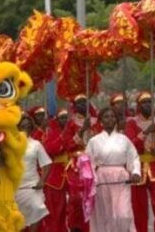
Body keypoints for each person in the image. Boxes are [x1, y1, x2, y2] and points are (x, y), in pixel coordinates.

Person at [86, 107, 140, 232]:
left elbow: (134, 157)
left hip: (121, 179)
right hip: (101, 180)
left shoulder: (124, 139)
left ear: (116, 119)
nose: (110, 119)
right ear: (101, 121)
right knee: (104, 215)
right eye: (106, 117)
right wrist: (90, 179)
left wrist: (135, 172)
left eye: (112, 116)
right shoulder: (93, 141)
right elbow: (87, 163)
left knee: (123, 215)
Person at [125, 91, 155, 232]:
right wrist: (145, 132)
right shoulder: (131, 123)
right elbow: (130, 145)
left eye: (150, 101)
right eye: (144, 102)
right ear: (138, 105)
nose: (148, 104)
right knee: (139, 208)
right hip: (138, 167)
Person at [67, 94, 99, 232]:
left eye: (85, 102)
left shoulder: (97, 122)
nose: (82, 105)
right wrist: (81, 130)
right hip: (76, 165)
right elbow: (68, 146)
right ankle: (76, 226)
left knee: (93, 197)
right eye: (79, 103)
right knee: (76, 198)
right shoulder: (70, 123)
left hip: (94, 164)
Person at [16, 115, 52, 232]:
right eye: (23, 126)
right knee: (18, 218)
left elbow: (47, 164)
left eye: (28, 126)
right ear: (18, 127)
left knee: (37, 208)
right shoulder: (11, 144)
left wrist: (42, 181)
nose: (26, 128)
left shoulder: (36, 144)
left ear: (32, 128)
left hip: (32, 186)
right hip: (15, 187)